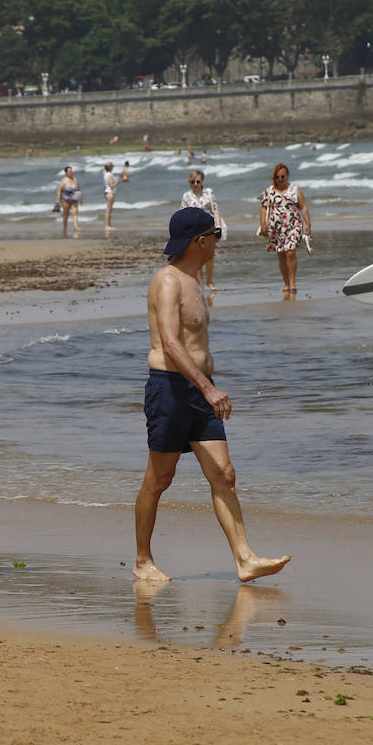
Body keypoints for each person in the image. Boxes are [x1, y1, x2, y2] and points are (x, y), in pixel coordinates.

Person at [133, 207, 291, 583]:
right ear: (200, 241)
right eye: (215, 236)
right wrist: (209, 388)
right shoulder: (168, 280)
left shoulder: (195, 278)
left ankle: (245, 559)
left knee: (224, 474)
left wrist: (206, 386)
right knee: (159, 479)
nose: (218, 242)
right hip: (171, 390)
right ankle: (142, 561)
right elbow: (171, 343)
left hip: (200, 392)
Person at [257, 163, 310, 294]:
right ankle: (286, 283)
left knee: (291, 252)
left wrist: (308, 223)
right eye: (277, 177)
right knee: (281, 254)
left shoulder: (295, 190)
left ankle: (292, 282)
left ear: (287, 176)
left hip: (293, 225)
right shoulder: (269, 191)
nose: (280, 179)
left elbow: (303, 207)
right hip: (275, 228)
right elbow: (263, 208)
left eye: (282, 176)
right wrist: (263, 224)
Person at [181, 169, 225, 291]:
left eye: (197, 181)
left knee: (209, 257)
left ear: (202, 181)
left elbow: (215, 210)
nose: (195, 184)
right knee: (197, 257)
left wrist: (218, 228)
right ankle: (200, 283)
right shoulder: (186, 196)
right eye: (192, 182)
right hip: (194, 230)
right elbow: (183, 214)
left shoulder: (209, 193)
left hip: (209, 228)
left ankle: (210, 282)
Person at [55, 165, 82, 238]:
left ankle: (76, 228)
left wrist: (81, 198)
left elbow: (78, 189)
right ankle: (65, 229)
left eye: (71, 171)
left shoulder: (75, 179)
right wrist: (57, 200)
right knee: (66, 215)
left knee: (75, 212)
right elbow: (59, 190)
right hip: (65, 199)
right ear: (66, 172)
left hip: (74, 198)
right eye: (69, 171)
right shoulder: (63, 180)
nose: (71, 172)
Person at [103, 162, 118, 236]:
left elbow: (105, 185)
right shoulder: (110, 175)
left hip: (107, 192)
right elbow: (111, 185)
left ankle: (109, 225)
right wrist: (117, 181)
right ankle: (107, 226)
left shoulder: (105, 175)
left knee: (109, 210)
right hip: (110, 193)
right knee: (108, 210)